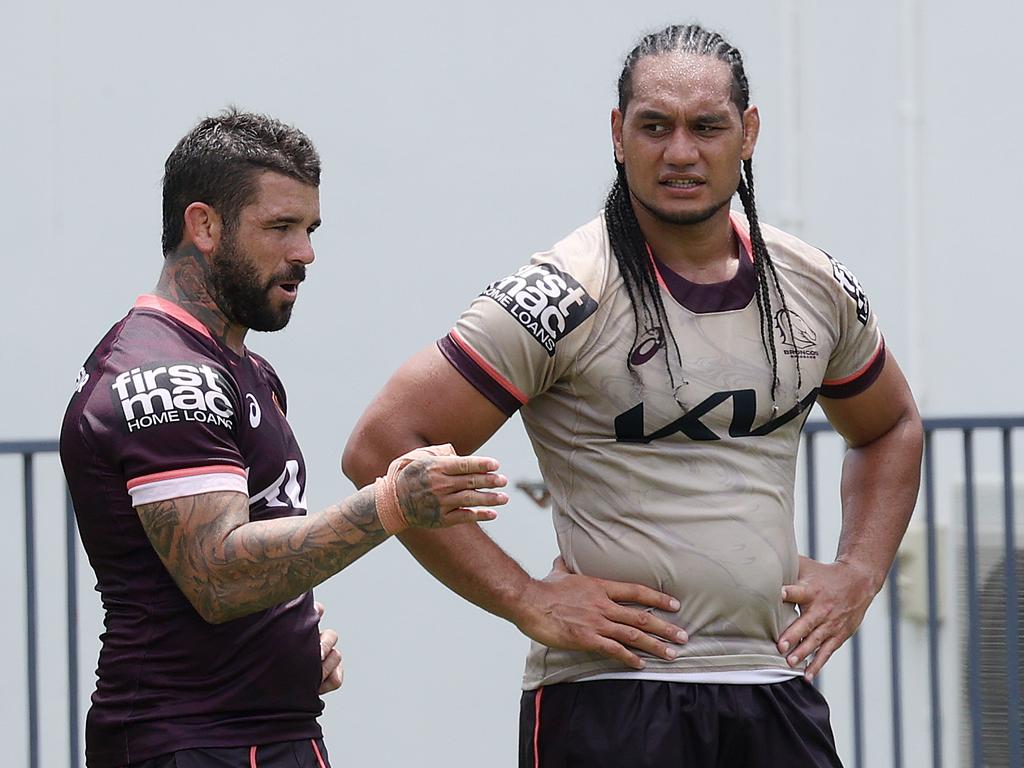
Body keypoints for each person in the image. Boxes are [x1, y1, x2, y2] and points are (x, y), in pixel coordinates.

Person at [342, 24, 923, 767]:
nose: (680, 152)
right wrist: (525, 598)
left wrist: (861, 573)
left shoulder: (812, 285)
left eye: (706, 126)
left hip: (777, 683)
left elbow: (892, 425)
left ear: (747, 133)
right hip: (613, 693)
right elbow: (381, 446)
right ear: (618, 134)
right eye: (655, 126)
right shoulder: (564, 290)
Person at [59, 109, 509, 768]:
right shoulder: (164, 377)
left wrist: (286, 644)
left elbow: (240, 566)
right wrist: (391, 504)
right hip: (192, 743)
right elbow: (217, 575)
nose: (305, 253)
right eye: (280, 228)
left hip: (267, 733)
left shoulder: (244, 369)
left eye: (310, 229)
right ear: (203, 226)